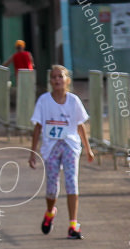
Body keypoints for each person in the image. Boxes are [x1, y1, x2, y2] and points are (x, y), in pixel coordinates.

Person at [28, 65, 95, 239]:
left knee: (72, 182)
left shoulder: (73, 101)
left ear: (67, 80)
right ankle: (50, 212)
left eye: (60, 76)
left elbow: (80, 125)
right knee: (52, 188)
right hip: (51, 148)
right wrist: (32, 152)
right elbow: (38, 127)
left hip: (70, 146)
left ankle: (73, 225)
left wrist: (88, 149)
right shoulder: (44, 101)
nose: (57, 80)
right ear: (50, 81)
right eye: (54, 77)